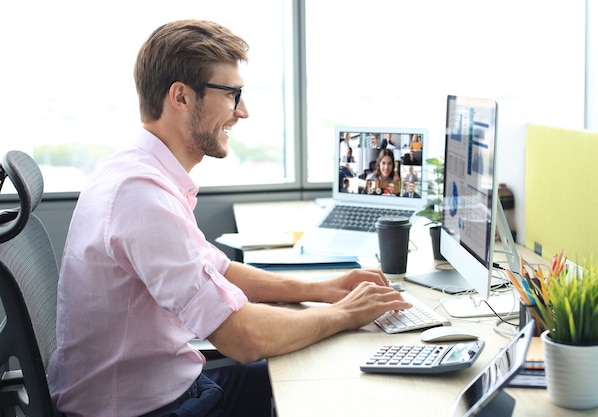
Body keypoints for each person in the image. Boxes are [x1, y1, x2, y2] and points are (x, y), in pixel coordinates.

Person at [46, 20, 411, 417]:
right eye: (232, 95)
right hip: (147, 411)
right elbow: (242, 337)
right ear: (181, 97)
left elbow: (219, 270)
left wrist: (322, 290)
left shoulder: (139, 173)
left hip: (171, 390)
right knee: (331, 388)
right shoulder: (142, 197)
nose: (243, 111)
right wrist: (345, 314)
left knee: (316, 377)